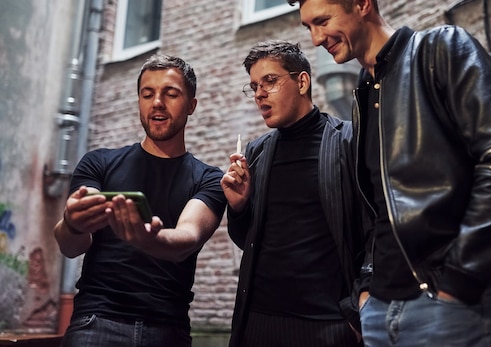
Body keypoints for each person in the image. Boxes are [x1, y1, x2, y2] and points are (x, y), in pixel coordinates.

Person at [286, 0, 491, 347]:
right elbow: (380, 210)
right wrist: (366, 291)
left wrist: (460, 280)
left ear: (362, 3)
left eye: (322, 21)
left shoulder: (441, 50)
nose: (315, 39)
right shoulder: (364, 97)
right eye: (309, 26)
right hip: (381, 310)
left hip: (451, 304)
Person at [54, 54, 227, 347]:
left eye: (170, 94)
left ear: (191, 105)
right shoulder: (99, 163)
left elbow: (187, 238)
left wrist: (150, 240)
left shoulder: (208, 179)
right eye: (148, 94)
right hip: (96, 322)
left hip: (167, 330)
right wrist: (73, 222)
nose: (157, 102)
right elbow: (71, 247)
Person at [221, 40, 371, 347]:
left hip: (327, 324)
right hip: (258, 322)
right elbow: (248, 240)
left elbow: (374, 229)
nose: (259, 93)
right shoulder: (258, 151)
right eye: (253, 86)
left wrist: (358, 310)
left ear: (302, 82)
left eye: (270, 81)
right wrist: (238, 208)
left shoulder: (348, 141)